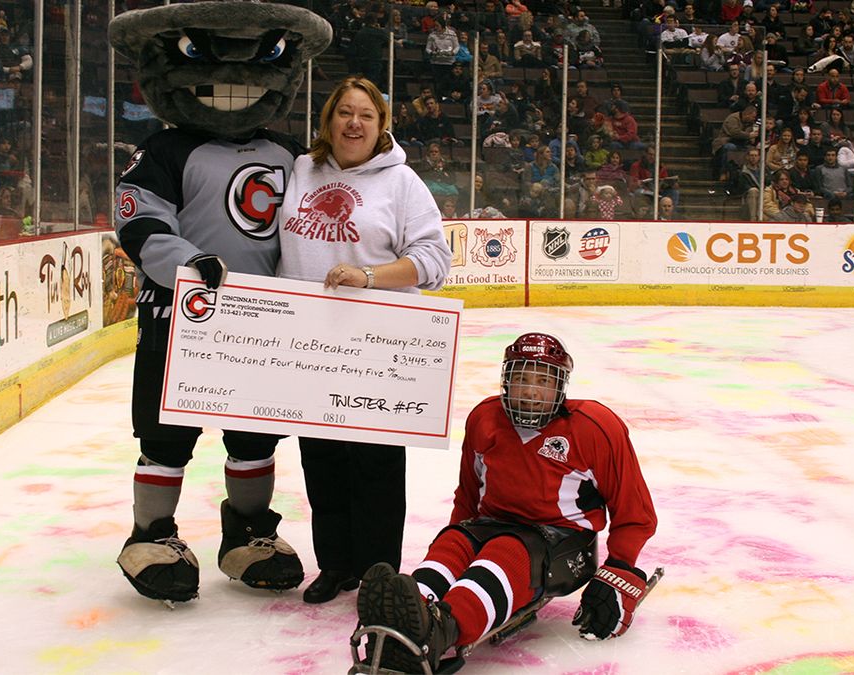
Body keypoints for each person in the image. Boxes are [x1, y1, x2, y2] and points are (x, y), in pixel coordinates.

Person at [108, 2, 331, 604]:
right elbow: (140, 222)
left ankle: (249, 534)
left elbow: (318, 224)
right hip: (178, 318)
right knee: (164, 433)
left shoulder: (293, 156)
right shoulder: (163, 151)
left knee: (255, 436)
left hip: (262, 324)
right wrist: (186, 266)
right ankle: (151, 534)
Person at [354, 333, 658, 673]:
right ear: (505, 380)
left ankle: (442, 630)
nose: (529, 391)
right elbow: (468, 496)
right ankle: (403, 625)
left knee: (505, 550)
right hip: (492, 525)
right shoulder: (484, 418)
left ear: (561, 386)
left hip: (560, 539)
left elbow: (635, 511)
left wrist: (619, 568)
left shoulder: (594, 427)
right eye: (520, 379)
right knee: (454, 542)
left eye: (542, 380)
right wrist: (454, 534)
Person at [275, 76, 452, 604]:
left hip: (377, 347)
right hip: (307, 342)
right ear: (328, 121)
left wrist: (368, 276)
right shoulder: (300, 170)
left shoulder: (403, 183)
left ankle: (377, 573)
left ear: (381, 126)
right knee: (321, 457)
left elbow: (434, 262)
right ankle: (334, 565)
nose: (354, 123)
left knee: (374, 464)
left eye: (366, 115)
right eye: (344, 112)